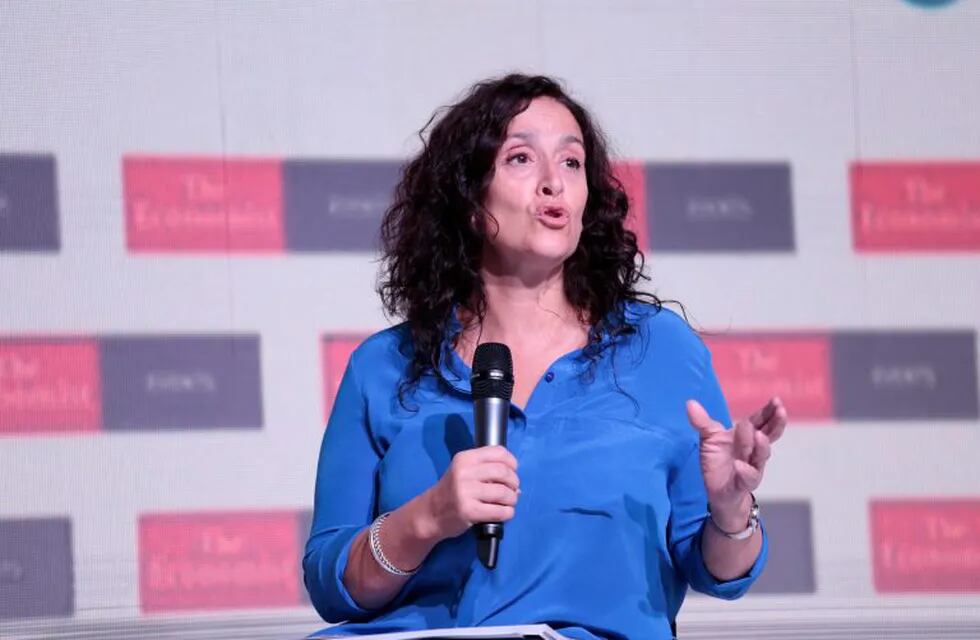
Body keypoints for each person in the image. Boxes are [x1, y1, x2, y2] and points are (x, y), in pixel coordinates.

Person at [303, 73, 787, 640]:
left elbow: (721, 574)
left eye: (573, 163)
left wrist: (731, 510)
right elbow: (332, 586)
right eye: (520, 159)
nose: (554, 183)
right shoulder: (383, 366)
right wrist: (428, 517)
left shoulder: (661, 350)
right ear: (467, 197)